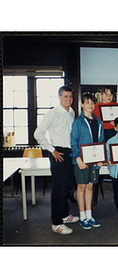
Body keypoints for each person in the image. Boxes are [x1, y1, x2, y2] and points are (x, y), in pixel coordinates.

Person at [34, 85, 79, 235]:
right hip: (57, 152)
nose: (68, 99)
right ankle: (56, 222)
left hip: (70, 152)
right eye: (65, 96)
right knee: (59, 188)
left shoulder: (71, 112)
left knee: (67, 186)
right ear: (59, 97)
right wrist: (52, 150)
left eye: (70, 96)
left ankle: (64, 215)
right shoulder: (52, 113)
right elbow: (38, 133)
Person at [70, 93, 105, 230]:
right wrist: (78, 159)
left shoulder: (98, 122)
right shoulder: (78, 122)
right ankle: (82, 216)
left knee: (90, 187)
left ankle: (90, 215)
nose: (90, 105)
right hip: (81, 161)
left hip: (95, 161)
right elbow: (73, 142)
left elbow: (101, 142)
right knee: (82, 187)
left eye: (92, 102)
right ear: (82, 104)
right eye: (87, 102)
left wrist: (101, 159)